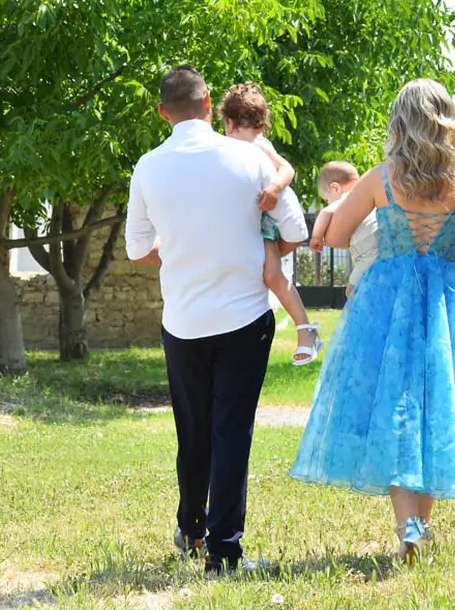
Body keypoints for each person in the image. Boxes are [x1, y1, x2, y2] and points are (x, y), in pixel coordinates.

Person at [288, 78, 455, 563]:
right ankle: (420, 525)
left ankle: (409, 530)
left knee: (395, 406)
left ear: (400, 122)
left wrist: (332, 210)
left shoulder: (380, 178)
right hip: (444, 303)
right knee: (436, 404)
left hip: (386, 301)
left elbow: (336, 237)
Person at [126, 66, 309, 574]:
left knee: (193, 433)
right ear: (209, 104)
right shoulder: (248, 158)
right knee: (232, 432)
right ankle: (224, 552)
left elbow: (139, 249)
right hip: (244, 315)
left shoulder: (147, 166)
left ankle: (190, 530)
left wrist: (188, 250)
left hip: (182, 319)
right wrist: (252, 247)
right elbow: (294, 228)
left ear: (163, 112)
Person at [218, 83, 322, 365]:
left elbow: (288, 168)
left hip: (264, 221)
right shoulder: (222, 148)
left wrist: (275, 188)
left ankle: (305, 330)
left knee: (273, 276)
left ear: (228, 122)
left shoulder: (260, 145)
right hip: (241, 222)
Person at [309, 161, 378, 297]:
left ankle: (358, 318)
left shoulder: (347, 198)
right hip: (380, 247)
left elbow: (325, 213)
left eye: (327, 199)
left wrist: (316, 237)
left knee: (351, 291)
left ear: (335, 188)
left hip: (368, 253)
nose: (328, 203)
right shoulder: (368, 197)